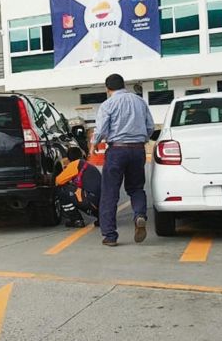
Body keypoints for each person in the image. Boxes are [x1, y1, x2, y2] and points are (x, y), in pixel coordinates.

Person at [92, 73, 155, 247]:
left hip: (117, 150)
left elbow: (102, 128)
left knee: (110, 192)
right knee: (136, 188)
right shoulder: (139, 101)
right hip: (137, 149)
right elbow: (150, 126)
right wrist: (141, 139)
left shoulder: (108, 104)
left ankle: (110, 235)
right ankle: (140, 215)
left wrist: (94, 143)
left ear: (107, 89)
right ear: (124, 85)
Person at [55, 147, 101, 228]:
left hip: (89, 200)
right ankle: (101, 217)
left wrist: (65, 169)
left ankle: (76, 220)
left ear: (69, 158)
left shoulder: (75, 164)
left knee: (62, 189)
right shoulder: (87, 165)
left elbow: (58, 181)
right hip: (100, 203)